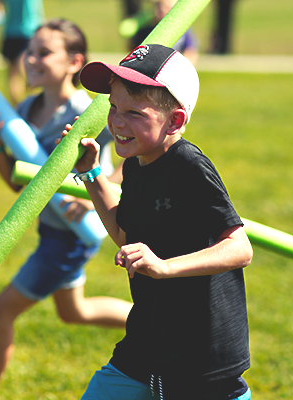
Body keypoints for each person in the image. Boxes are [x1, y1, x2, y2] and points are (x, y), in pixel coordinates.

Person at [60, 44, 253, 399]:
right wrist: (90, 173)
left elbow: (240, 248)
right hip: (147, 342)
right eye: (113, 107)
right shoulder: (136, 164)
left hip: (200, 355)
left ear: (175, 121)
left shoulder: (189, 166)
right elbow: (123, 232)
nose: (117, 121)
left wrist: (163, 267)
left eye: (134, 112)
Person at [0, 19, 132, 400]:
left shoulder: (90, 113)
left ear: (75, 61)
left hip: (74, 234)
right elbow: (17, 185)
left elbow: (131, 158)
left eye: (44, 52)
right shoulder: (26, 108)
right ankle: (158, 322)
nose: (31, 59)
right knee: (74, 313)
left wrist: (90, 192)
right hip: (50, 229)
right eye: (30, 51)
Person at [0, 0, 44, 105]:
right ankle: (32, 111)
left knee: (14, 76)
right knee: (32, 76)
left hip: (9, 32)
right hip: (28, 32)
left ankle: (17, 111)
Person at [129, 0, 199, 65]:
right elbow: (133, 50)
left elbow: (191, 51)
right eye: (158, 7)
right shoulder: (146, 30)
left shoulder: (183, 29)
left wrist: (183, 68)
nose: (161, 11)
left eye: (167, 8)